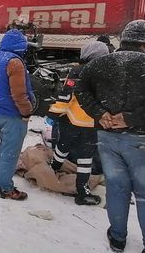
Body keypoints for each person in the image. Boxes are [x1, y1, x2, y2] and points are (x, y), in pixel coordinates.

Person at [75, 20, 145, 253]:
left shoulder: (100, 64)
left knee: (116, 188)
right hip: (144, 141)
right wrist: (130, 118)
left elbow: (80, 90)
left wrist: (100, 113)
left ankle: (118, 237)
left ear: (124, 39)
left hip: (107, 138)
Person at [48, 41, 108, 206]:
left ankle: (53, 167)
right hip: (92, 123)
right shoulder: (107, 73)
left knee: (63, 145)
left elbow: (66, 96)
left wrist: (53, 112)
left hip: (72, 119)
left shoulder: (78, 71)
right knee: (86, 157)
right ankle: (82, 191)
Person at [0, 29, 35, 200]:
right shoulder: (15, 62)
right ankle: (6, 188)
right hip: (14, 114)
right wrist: (27, 111)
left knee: (4, 148)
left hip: (0, 111)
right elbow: (19, 94)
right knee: (10, 153)